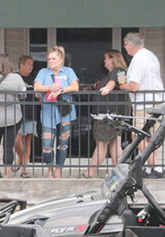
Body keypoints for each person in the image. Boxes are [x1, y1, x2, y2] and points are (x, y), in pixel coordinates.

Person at [120, 31, 165, 176]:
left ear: (130, 45)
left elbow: (134, 86)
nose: (125, 48)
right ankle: (150, 168)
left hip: (143, 103)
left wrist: (123, 85)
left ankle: (157, 167)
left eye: (125, 45)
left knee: (137, 136)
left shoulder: (138, 59)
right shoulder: (150, 55)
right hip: (157, 100)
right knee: (152, 137)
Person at [33, 46, 79, 178]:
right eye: (49, 59)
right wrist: (48, 87)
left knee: (63, 143)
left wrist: (61, 90)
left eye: (54, 59)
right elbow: (36, 86)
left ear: (61, 60)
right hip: (48, 111)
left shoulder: (68, 71)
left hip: (65, 112)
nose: (51, 61)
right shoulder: (43, 72)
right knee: (47, 144)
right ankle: (50, 168)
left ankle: (58, 169)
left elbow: (75, 86)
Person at [88, 49, 130, 176]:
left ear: (113, 59)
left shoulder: (118, 71)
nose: (104, 61)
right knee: (115, 144)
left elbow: (114, 82)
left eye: (106, 58)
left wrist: (107, 88)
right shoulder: (121, 72)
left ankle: (89, 173)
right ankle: (120, 172)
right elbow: (121, 83)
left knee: (101, 144)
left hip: (107, 115)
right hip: (115, 114)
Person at [13, 54, 38, 178]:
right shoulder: (15, 77)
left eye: (32, 65)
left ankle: (24, 169)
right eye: (29, 64)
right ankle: (21, 158)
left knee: (27, 141)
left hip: (31, 112)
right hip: (17, 113)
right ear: (21, 65)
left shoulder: (34, 78)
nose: (31, 67)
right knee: (16, 140)